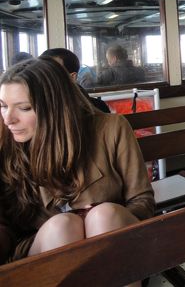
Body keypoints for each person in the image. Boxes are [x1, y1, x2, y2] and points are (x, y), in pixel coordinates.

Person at [0, 58, 153, 280]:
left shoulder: (111, 129)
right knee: (63, 226)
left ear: (55, 106)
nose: (8, 119)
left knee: (104, 215)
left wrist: (93, 219)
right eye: (3, 106)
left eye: (24, 108)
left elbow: (142, 201)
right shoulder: (6, 144)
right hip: (42, 248)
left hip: (113, 239)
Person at [40, 48, 111, 113]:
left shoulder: (98, 108)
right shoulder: (37, 109)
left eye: (51, 72)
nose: (43, 77)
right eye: (40, 71)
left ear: (72, 77)